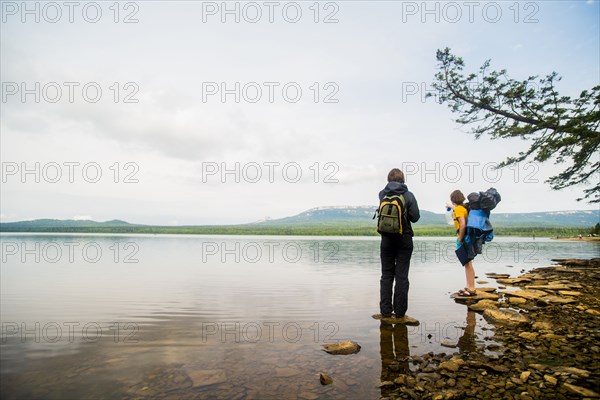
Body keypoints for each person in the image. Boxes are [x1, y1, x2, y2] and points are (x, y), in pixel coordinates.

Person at [378, 168, 420, 318]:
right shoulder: (408, 195)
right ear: (403, 179)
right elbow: (415, 217)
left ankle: (385, 310)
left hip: (386, 240)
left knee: (386, 275)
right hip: (404, 239)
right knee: (401, 276)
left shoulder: (382, 194)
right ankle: (400, 312)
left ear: (388, 179)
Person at [450, 190, 476, 296]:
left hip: (463, 239)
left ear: (453, 199)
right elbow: (458, 210)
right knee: (467, 263)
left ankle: (471, 288)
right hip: (468, 238)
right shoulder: (462, 208)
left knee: (467, 263)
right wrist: (451, 206)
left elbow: (463, 224)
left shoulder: (459, 210)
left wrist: (460, 239)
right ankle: (468, 286)